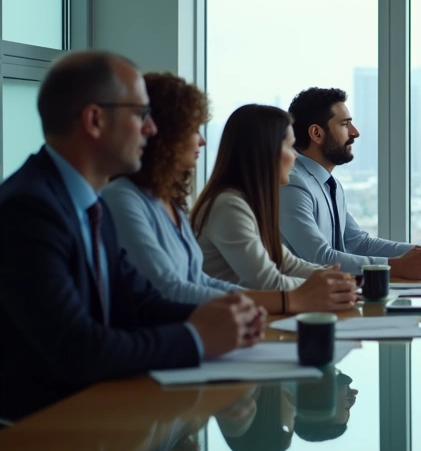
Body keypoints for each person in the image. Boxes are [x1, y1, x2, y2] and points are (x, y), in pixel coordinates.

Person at [0, 50, 264, 425]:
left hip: (94, 420)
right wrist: (198, 338)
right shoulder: (28, 210)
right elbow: (80, 349)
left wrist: (223, 317)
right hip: (41, 437)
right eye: (141, 114)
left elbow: (138, 302)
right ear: (94, 120)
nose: (152, 129)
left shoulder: (91, 206)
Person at [102, 74, 356, 314]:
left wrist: (332, 282)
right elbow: (171, 290)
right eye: (192, 129)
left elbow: (201, 280)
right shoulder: (125, 199)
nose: (202, 141)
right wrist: (297, 297)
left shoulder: (168, 202)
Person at [191, 104, 358, 309]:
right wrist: (327, 287)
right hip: (229, 325)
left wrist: (333, 278)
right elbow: (267, 283)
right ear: (266, 152)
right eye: (290, 146)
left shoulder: (248, 202)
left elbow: (287, 263)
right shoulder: (228, 205)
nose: (295, 156)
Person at [281, 88, 421, 281]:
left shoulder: (330, 184)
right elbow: (319, 258)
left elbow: (359, 243)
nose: (355, 132)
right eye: (345, 124)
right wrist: (395, 266)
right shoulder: (292, 184)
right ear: (316, 133)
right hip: (303, 304)